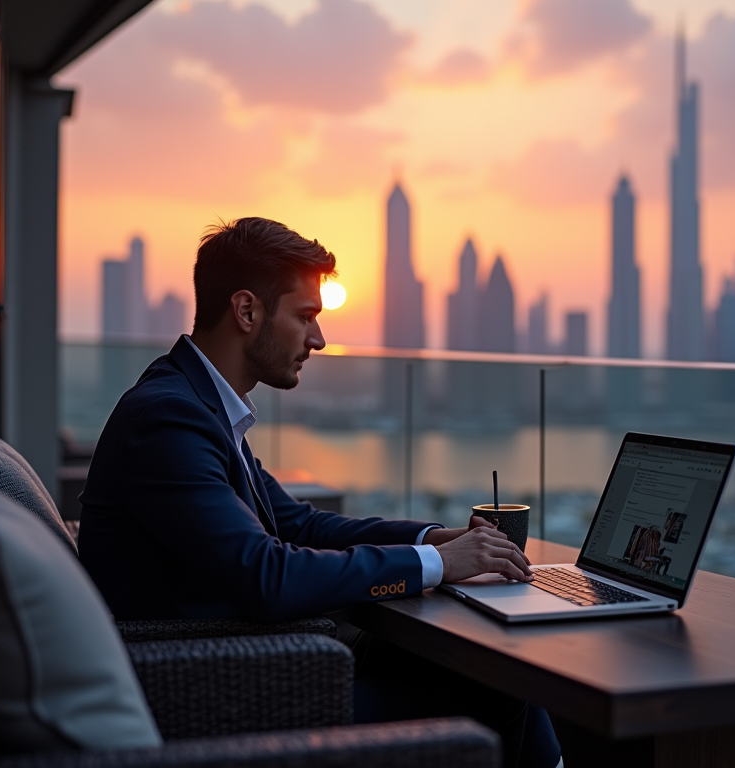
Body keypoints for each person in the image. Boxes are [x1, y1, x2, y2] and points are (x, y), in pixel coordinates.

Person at [79, 217, 560, 768]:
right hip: (218, 688)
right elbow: (269, 576)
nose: (319, 339)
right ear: (246, 311)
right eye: (306, 316)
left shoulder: (197, 406)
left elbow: (300, 525)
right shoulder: (168, 419)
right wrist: (433, 562)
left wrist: (434, 539)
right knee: (495, 687)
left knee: (492, 666)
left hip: (260, 659)